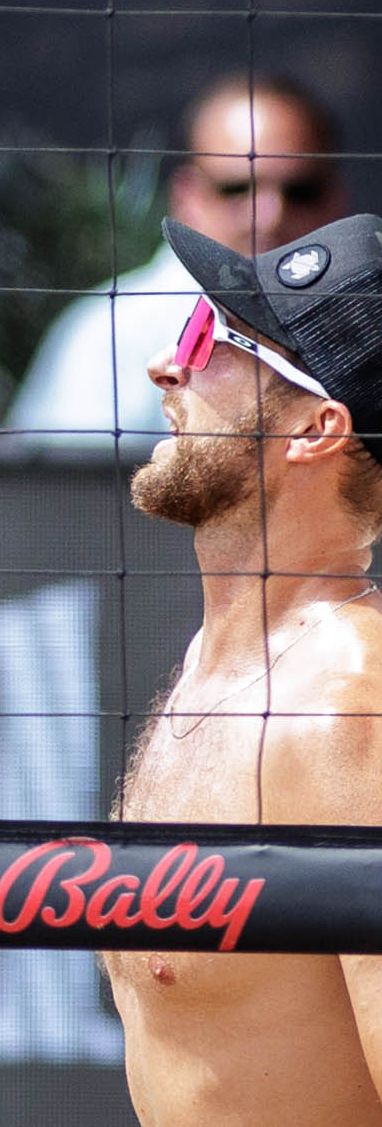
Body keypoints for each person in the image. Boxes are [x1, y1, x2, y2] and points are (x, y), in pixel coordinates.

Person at [104, 210, 382, 1121]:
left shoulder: (349, 702)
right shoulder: (215, 663)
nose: (166, 364)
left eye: (207, 338)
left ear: (316, 428)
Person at [13, 74, 352, 448]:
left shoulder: (362, 320)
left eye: (301, 192)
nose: (269, 215)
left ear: (335, 199)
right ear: (187, 195)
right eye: (236, 189)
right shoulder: (112, 332)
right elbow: (71, 483)